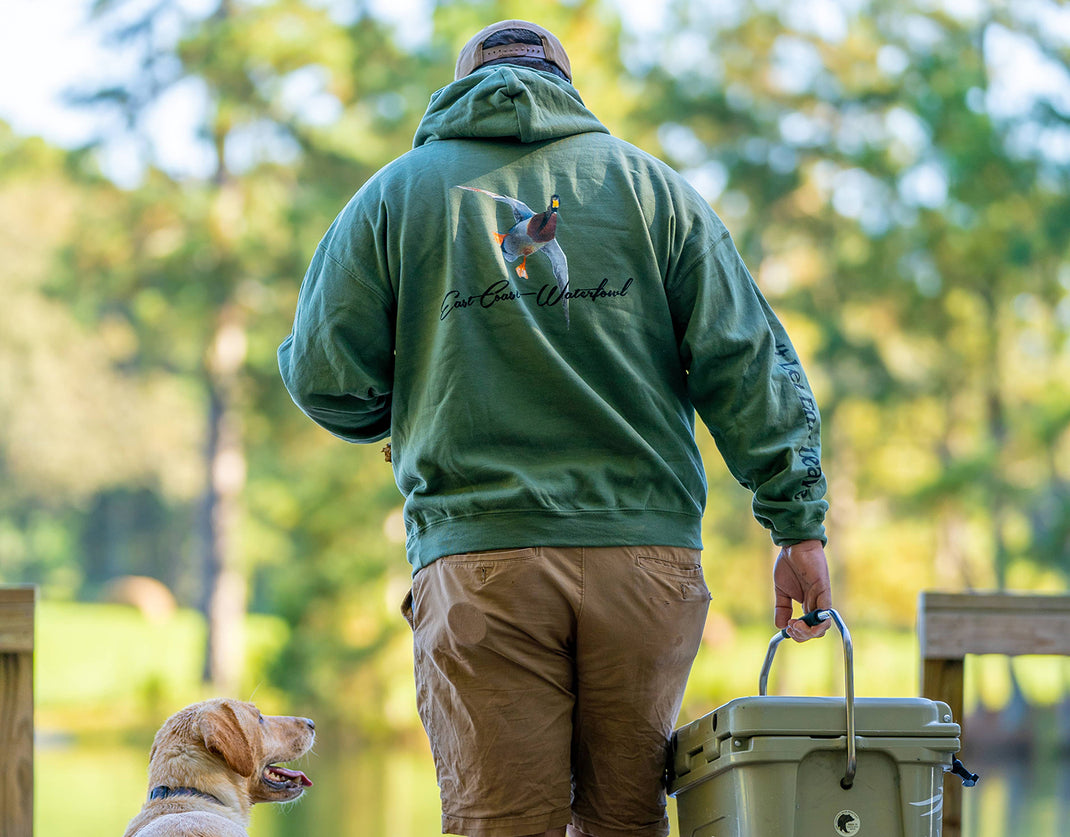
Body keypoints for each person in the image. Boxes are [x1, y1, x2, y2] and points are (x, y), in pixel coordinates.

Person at [278, 19, 832, 837]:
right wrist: (799, 527)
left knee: (502, 826)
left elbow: (323, 375)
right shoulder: (655, 191)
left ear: (457, 87)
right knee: (623, 822)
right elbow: (748, 364)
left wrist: (400, 407)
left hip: (480, 559)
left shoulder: (395, 195)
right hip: (643, 562)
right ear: (569, 89)